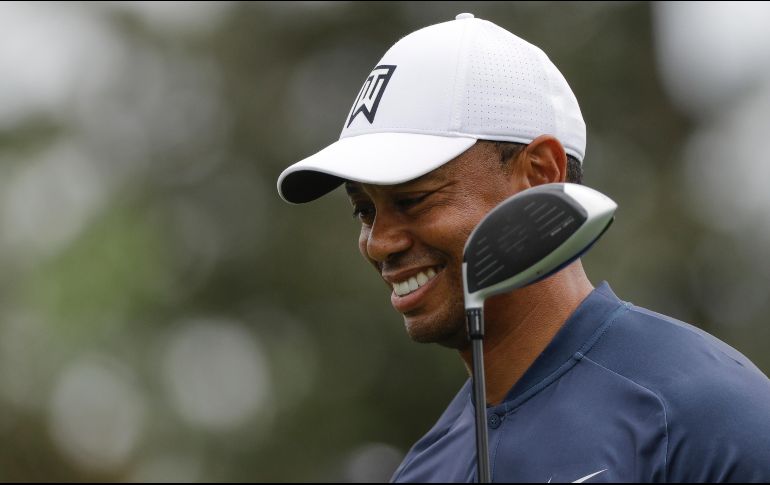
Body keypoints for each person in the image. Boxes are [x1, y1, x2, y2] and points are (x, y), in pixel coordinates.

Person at [277, 13, 770, 483]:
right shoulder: (424, 470)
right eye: (365, 211)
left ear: (540, 174)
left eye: (413, 200)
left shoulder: (704, 416)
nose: (380, 243)